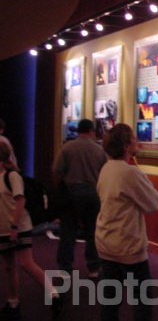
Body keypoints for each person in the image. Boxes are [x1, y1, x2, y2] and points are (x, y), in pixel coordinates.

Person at [95, 124, 158, 321]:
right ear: (125, 146)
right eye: (133, 138)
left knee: (110, 300)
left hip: (106, 241)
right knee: (142, 300)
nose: (136, 140)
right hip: (127, 244)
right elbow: (153, 203)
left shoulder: (106, 168)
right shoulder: (130, 172)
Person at [0, 141, 64, 321]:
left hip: (19, 227)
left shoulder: (12, 176)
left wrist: (14, 226)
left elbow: (20, 201)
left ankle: (54, 295)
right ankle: (13, 302)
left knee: (26, 263)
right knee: (9, 266)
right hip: (3, 229)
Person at [52, 118, 107, 278]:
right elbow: (105, 173)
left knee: (68, 232)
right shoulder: (99, 150)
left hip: (71, 193)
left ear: (78, 131)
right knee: (92, 232)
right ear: (91, 131)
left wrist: (60, 187)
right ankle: (94, 267)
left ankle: (65, 268)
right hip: (93, 194)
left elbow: (57, 170)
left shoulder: (67, 148)